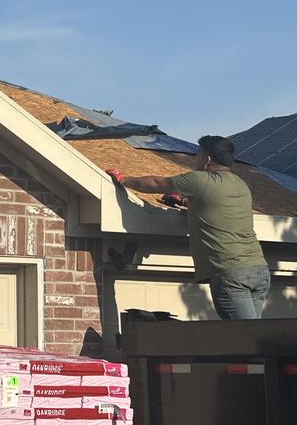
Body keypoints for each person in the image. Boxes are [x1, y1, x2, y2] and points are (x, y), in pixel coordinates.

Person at [106, 135, 270, 320]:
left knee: (246, 338)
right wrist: (186, 201)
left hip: (230, 274)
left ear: (207, 159)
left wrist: (124, 179)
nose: (195, 159)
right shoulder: (240, 184)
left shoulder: (200, 180)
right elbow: (216, 205)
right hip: (258, 270)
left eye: (198, 154)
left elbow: (158, 184)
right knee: (254, 333)